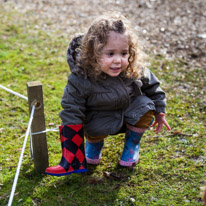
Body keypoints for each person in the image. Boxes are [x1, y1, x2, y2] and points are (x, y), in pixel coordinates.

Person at [45, 13, 171, 176]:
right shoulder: (81, 78)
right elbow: (71, 109)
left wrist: (160, 111)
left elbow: (153, 87)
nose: (118, 60)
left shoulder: (133, 68)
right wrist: (73, 152)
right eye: (110, 54)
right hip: (98, 121)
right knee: (86, 123)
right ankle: (93, 146)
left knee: (145, 104)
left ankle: (131, 146)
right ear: (94, 53)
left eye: (124, 53)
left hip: (127, 114)